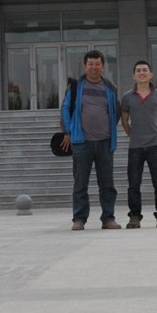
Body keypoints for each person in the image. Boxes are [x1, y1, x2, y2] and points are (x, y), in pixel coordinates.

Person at [60, 50, 121, 230]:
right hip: (81, 142)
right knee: (80, 184)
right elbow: (65, 109)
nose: (94, 67)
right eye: (90, 64)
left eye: (97, 64)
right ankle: (79, 219)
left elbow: (116, 112)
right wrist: (68, 131)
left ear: (103, 66)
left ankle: (108, 218)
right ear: (85, 66)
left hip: (105, 142)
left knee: (107, 184)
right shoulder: (75, 87)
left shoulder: (110, 88)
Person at [121, 60, 157, 228]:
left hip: (155, 146)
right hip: (135, 147)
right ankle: (135, 216)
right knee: (134, 184)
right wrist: (133, 135)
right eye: (138, 70)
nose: (141, 73)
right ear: (133, 76)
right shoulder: (127, 97)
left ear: (151, 74)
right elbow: (125, 120)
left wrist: (155, 132)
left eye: (144, 70)